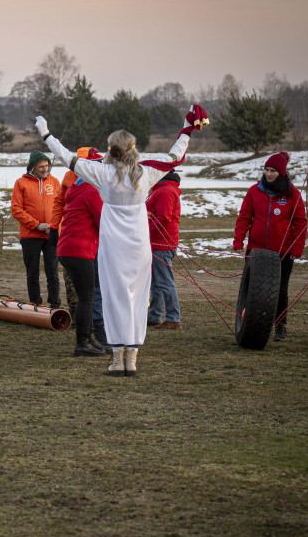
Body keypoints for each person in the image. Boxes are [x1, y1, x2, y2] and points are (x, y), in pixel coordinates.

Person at [36, 105, 208, 376]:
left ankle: (117, 359)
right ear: (133, 149)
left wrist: (46, 135)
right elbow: (176, 156)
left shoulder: (102, 174)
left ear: (111, 149)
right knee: (138, 300)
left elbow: (66, 158)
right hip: (139, 247)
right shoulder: (147, 172)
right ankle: (133, 359)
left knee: (114, 299)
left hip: (112, 249)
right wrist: (187, 127)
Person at [233, 152, 308, 342]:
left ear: (281, 172)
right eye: (266, 170)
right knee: (251, 288)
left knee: (280, 289)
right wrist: (238, 239)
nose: (268, 174)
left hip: (281, 252)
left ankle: (280, 325)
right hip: (256, 251)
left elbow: (300, 223)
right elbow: (244, 217)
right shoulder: (254, 191)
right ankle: (247, 323)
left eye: (273, 170)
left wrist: (296, 249)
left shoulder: (292, 194)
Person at [56, 173, 107, 357]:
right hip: (79, 250)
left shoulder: (76, 190)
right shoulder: (92, 191)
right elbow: (103, 221)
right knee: (87, 297)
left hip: (68, 249)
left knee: (86, 296)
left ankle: (89, 338)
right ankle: (82, 342)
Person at [51, 147, 105, 317]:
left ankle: (90, 317)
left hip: (91, 239)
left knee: (92, 283)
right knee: (75, 281)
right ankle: (78, 314)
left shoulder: (101, 178)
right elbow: (59, 201)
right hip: (79, 238)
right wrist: (54, 227)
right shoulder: (73, 179)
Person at [12, 150, 62, 307]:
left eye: (47, 166)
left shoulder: (54, 182)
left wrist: (53, 227)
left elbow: (61, 206)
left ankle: (54, 304)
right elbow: (16, 209)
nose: (45, 169)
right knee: (32, 273)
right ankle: (35, 303)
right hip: (29, 236)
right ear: (32, 167)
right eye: (41, 166)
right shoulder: (21, 183)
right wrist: (37, 225)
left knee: (52, 272)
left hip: (51, 235)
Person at [146, 169, 182, 330]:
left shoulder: (166, 190)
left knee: (165, 282)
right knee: (156, 282)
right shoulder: (159, 189)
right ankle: (154, 315)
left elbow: (163, 218)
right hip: (156, 243)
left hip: (161, 243)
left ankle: (173, 318)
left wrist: (146, 234)